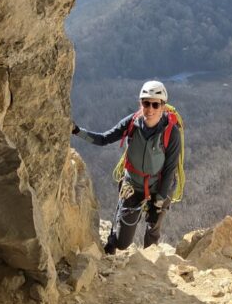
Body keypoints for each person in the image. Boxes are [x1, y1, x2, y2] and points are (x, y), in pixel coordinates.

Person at [72, 80, 181, 254]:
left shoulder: (171, 132)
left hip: (160, 185)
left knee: (153, 230)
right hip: (133, 185)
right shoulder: (132, 123)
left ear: (163, 106)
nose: (150, 109)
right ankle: (113, 241)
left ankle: (150, 260)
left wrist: (159, 202)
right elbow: (104, 139)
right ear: (141, 103)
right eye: (146, 103)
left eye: (155, 104)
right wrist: (77, 131)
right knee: (122, 243)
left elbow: (170, 168)